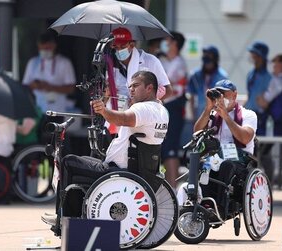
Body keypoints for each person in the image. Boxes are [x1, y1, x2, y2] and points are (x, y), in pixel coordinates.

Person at [41, 71, 169, 230]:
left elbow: (122, 119)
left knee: (68, 162)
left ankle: (66, 218)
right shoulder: (161, 110)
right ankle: (75, 214)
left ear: (150, 88)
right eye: (130, 87)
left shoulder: (143, 108)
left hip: (120, 171)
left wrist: (103, 110)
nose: (131, 90)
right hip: (138, 170)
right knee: (81, 160)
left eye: (135, 86)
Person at [193, 79, 257, 215]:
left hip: (239, 158)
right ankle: (202, 204)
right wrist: (208, 108)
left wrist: (226, 116)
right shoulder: (212, 115)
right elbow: (196, 132)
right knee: (200, 164)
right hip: (215, 156)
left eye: (224, 94)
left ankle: (220, 209)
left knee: (226, 165)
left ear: (234, 95)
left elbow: (245, 137)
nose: (220, 98)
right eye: (218, 94)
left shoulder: (248, 114)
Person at [104, 27, 172, 135]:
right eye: (115, 47)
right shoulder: (111, 64)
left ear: (132, 44)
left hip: (143, 119)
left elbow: (168, 90)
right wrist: (107, 94)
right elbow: (106, 94)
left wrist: (143, 102)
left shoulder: (150, 61)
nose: (118, 50)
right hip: (117, 118)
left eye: (122, 47)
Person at [256, 54, 282, 183]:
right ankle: (268, 184)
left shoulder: (278, 81)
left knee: (260, 153)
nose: (273, 66)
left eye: (276, 63)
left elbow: (263, 102)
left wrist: (259, 97)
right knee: (262, 153)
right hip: (281, 125)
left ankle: (266, 184)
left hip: (274, 126)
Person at [159, 31, 188, 189]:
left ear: (175, 43)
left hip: (174, 108)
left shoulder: (179, 63)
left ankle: (172, 187)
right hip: (163, 106)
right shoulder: (164, 61)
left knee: (171, 148)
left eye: (167, 41)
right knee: (163, 146)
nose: (165, 43)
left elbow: (165, 82)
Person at [22, 31, 76, 114]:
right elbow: (25, 87)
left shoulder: (64, 62)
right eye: (42, 49)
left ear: (54, 46)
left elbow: (71, 88)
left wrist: (50, 87)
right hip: (37, 110)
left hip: (57, 110)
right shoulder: (33, 63)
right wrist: (34, 85)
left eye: (47, 48)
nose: (44, 51)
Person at [187, 45, 228, 120]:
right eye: (205, 57)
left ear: (215, 59)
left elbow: (225, 98)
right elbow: (192, 96)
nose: (207, 64)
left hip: (216, 116)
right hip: (199, 115)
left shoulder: (222, 77)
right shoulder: (195, 75)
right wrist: (193, 115)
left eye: (209, 58)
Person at [244, 41, 272, 136]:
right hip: (248, 114)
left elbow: (266, 102)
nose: (252, 57)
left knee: (258, 144)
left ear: (261, 57)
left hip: (260, 116)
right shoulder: (251, 74)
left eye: (255, 55)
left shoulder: (268, 78)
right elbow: (249, 94)